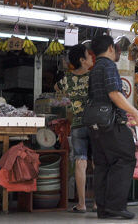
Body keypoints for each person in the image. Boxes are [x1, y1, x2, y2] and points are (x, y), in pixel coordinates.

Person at [88, 35, 138, 220]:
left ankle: (103, 208)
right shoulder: (109, 66)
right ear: (111, 48)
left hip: (96, 125)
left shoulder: (95, 68)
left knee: (103, 164)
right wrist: (135, 112)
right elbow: (114, 93)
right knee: (125, 158)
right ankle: (116, 206)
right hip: (111, 123)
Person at [55, 44, 94, 213]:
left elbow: (56, 88)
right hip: (95, 124)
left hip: (78, 124)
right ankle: (98, 203)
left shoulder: (66, 79)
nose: (92, 58)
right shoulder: (93, 76)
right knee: (98, 162)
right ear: (82, 60)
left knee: (80, 161)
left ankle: (82, 204)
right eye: (88, 55)